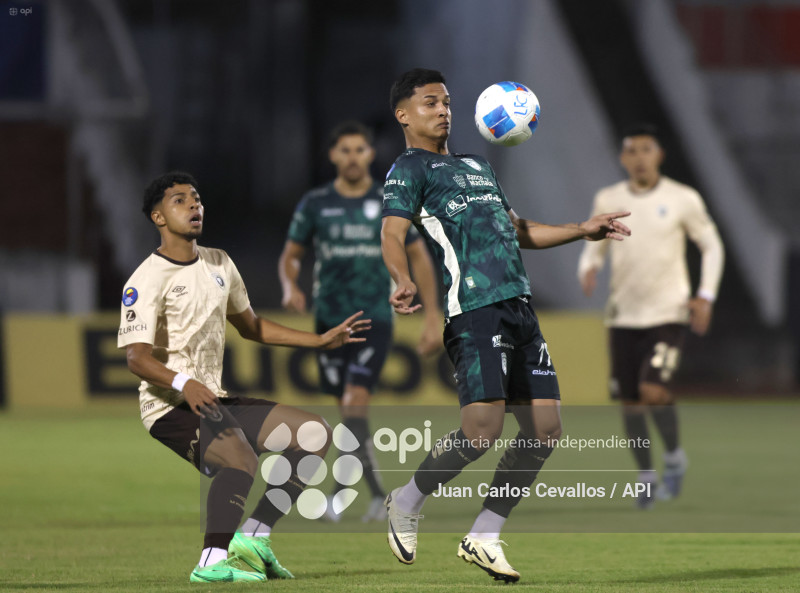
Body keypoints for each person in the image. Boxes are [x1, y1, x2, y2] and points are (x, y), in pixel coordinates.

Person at [380, 68, 631, 583]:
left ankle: (485, 534)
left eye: (447, 102)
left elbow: (516, 230)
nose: (444, 110)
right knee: (482, 432)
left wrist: (583, 229)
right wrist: (400, 277)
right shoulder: (409, 168)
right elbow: (391, 230)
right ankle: (405, 500)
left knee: (544, 430)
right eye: (430, 103)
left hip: (519, 307)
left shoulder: (477, 165)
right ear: (404, 114)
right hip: (473, 308)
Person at [119, 171, 370, 583]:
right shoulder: (146, 279)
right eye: (180, 200)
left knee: (314, 434)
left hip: (212, 397)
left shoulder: (219, 263)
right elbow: (136, 358)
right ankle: (210, 564)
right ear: (158, 217)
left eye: (197, 198)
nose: (194, 205)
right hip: (169, 406)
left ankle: (254, 538)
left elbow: (252, 327)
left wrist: (318, 340)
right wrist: (183, 383)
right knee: (240, 460)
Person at [279, 121, 442, 522]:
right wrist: (289, 284)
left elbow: (419, 256)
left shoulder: (390, 201)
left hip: (373, 318)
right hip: (329, 322)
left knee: (354, 404)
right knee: (351, 416)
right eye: (345, 150)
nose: (352, 157)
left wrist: (433, 314)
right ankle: (366, 493)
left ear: (371, 154)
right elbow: (291, 254)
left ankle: (352, 496)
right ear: (333, 156)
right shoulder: (316, 203)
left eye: (360, 150)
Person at [577, 124, 724, 508]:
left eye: (646, 149)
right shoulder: (608, 198)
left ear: (659, 154)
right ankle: (645, 474)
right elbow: (594, 244)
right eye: (632, 150)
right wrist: (587, 266)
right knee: (631, 403)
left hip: (668, 312)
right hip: (623, 315)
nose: (639, 157)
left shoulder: (682, 198)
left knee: (653, 392)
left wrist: (704, 296)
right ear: (623, 157)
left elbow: (711, 246)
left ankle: (674, 456)